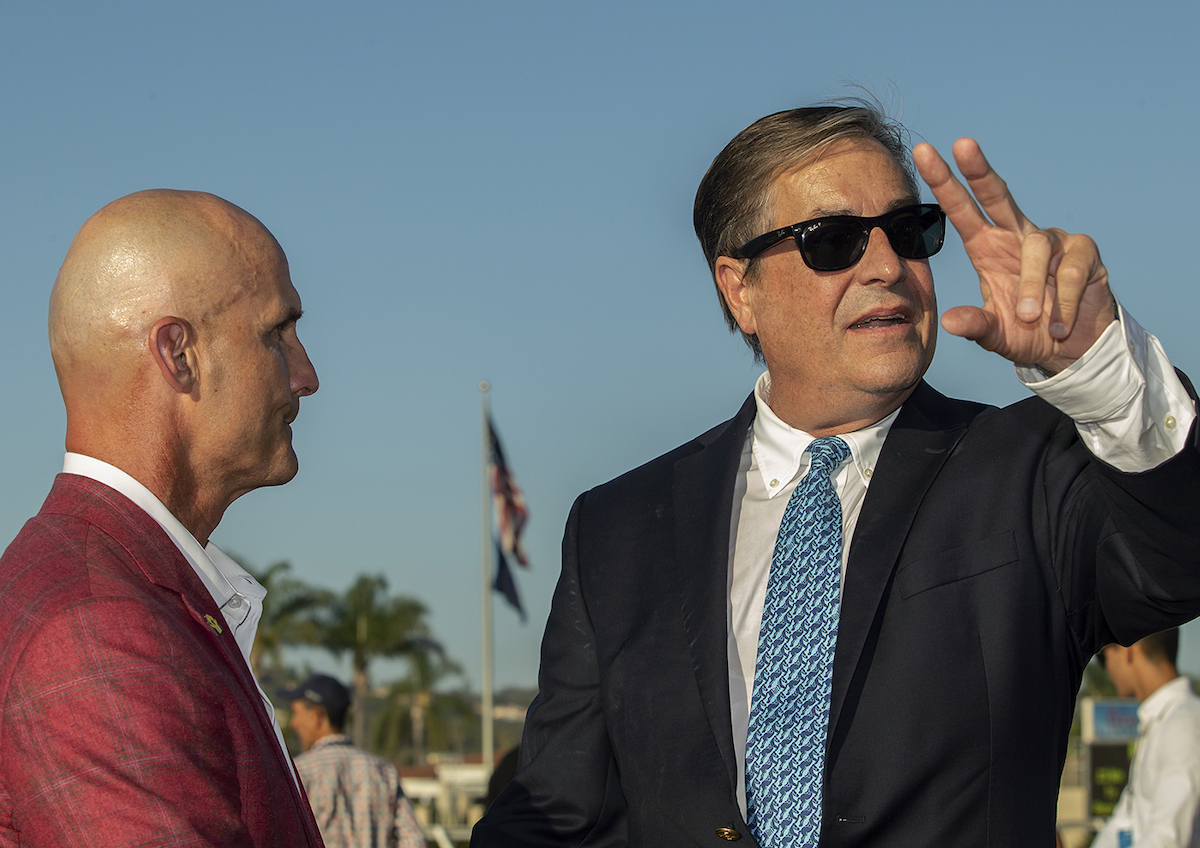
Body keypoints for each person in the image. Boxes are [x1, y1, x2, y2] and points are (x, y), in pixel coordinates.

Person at [471, 102, 1200, 847]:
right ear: (739, 288)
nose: (888, 267)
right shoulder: (617, 531)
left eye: (909, 232)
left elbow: (1177, 562)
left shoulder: (1029, 469)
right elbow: (557, 815)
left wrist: (1103, 371)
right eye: (835, 240)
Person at [0, 190, 324, 846]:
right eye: (276, 333)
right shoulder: (96, 624)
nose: (306, 375)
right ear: (178, 355)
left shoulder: (124, 589)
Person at [284, 674, 426, 848]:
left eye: (296, 713)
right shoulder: (383, 770)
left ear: (316, 716)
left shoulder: (299, 772)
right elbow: (414, 840)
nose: (294, 723)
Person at [1093, 630, 1200, 848]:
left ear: (1128, 650)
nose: (1107, 669)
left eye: (1103, 657)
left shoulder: (1183, 724)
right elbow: (1123, 824)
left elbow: (1169, 837)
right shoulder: (1158, 723)